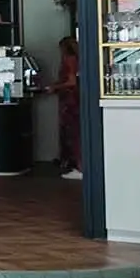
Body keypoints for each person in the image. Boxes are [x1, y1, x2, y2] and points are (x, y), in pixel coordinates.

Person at [48, 36, 81, 180]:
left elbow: (71, 82)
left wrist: (54, 87)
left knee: (73, 134)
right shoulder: (78, 59)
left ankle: (79, 167)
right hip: (73, 99)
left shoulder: (69, 60)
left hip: (70, 100)